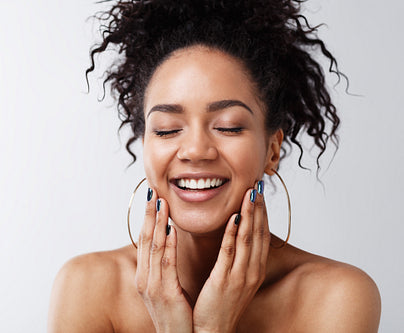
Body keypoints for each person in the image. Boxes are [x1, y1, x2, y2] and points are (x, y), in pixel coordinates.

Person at [48, 0, 381, 331]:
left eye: (228, 126)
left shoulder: (337, 297)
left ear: (272, 151)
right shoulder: (86, 288)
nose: (195, 150)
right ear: (145, 145)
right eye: (167, 129)